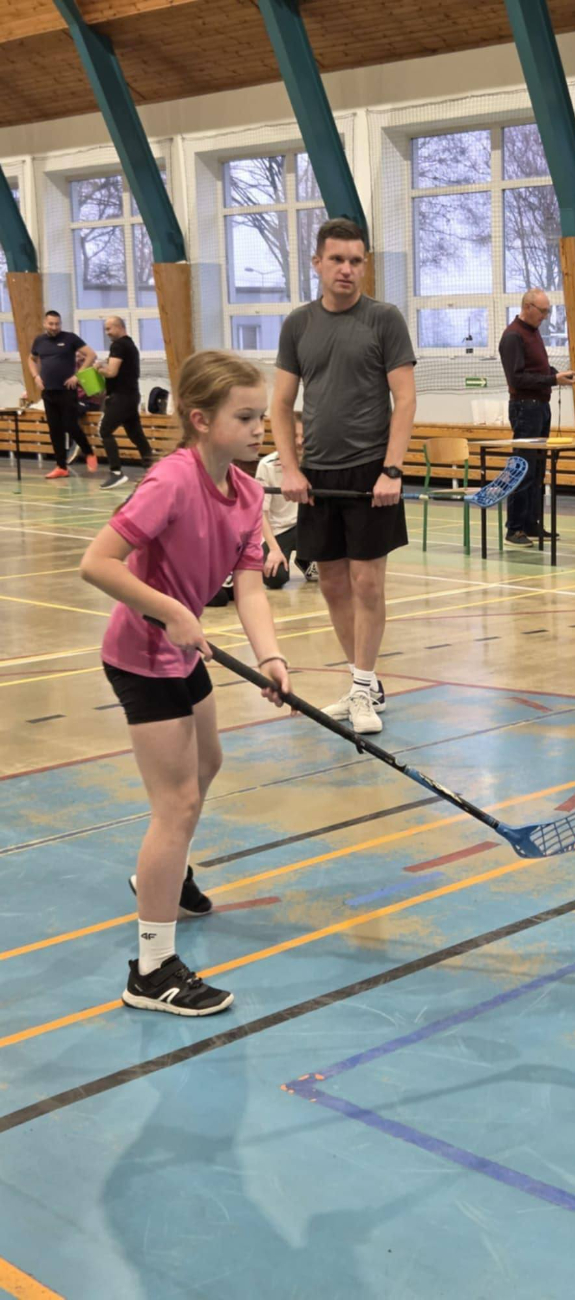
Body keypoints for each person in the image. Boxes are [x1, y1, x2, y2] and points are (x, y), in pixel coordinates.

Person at [79, 350, 290, 1017]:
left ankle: (160, 874)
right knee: (177, 804)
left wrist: (271, 657)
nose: (261, 428)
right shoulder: (171, 482)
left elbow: (250, 582)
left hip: (184, 652)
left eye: (262, 416)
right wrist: (170, 610)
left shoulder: (249, 490)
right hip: (143, 652)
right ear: (200, 420)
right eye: (246, 416)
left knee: (209, 764)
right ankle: (151, 970)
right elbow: (98, 563)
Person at [272, 217, 416, 735]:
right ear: (318, 263)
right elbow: (282, 403)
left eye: (356, 261)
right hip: (317, 475)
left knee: (367, 582)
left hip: (371, 473)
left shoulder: (384, 320)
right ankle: (364, 682)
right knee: (331, 582)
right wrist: (289, 467)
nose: (347, 270)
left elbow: (405, 399)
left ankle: (360, 687)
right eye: (337, 260)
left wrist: (392, 470)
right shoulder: (298, 325)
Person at [498, 289, 575, 546]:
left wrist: (557, 375)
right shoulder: (513, 336)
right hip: (524, 408)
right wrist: (552, 379)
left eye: (547, 311)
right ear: (528, 306)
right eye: (542, 311)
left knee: (538, 469)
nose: (545, 316)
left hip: (540, 406)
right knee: (523, 468)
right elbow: (518, 378)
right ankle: (514, 528)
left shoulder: (532, 333)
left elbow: (538, 370)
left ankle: (531, 523)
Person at [28, 310, 98, 479]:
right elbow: (31, 359)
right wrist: (36, 377)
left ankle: (89, 452)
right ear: (45, 323)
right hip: (48, 391)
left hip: (66, 390)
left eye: (57, 324)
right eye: (51, 324)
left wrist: (78, 375)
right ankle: (61, 466)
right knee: (55, 429)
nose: (54, 327)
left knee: (70, 425)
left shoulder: (70, 338)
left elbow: (91, 355)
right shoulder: (39, 341)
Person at [256, 412, 317, 588]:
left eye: (303, 437)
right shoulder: (267, 465)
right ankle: (295, 556)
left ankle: (306, 558)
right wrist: (274, 550)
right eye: (294, 436)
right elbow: (261, 514)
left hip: (308, 527)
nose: (299, 442)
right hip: (279, 531)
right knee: (275, 578)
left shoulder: (316, 463)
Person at [95, 316, 155, 489]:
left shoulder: (119, 345)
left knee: (104, 430)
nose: (107, 333)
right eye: (105, 329)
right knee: (136, 434)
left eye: (109, 329)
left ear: (119, 327)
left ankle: (116, 472)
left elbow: (112, 372)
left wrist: (100, 369)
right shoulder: (130, 345)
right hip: (131, 396)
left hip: (121, 398)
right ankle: (152, 469)